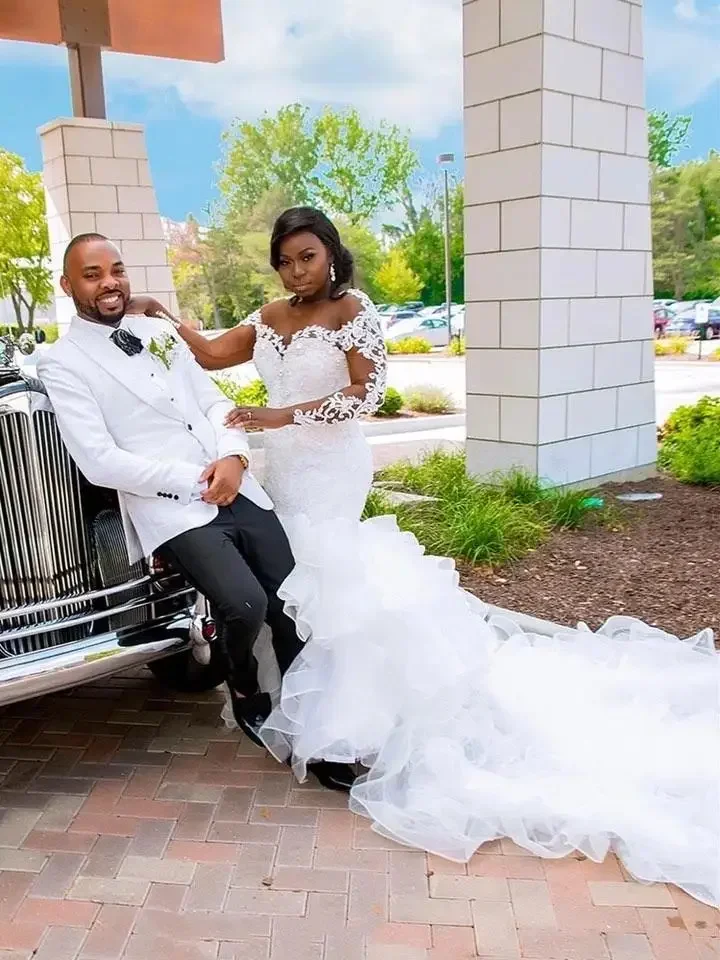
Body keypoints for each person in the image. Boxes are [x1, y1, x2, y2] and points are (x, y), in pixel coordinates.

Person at [128, 208, 719, 908]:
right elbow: (210, 354)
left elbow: (367, 395)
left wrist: (284, 415)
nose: (296, 270)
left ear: (331, 255)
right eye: (286, 260)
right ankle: (295, 704)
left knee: (328, 581)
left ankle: (344, 726)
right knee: (289, 586)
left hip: (329, 467)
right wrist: (165, 315)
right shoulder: (267, 314)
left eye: (308, 256)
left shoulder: (356, 310)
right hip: (276, 471)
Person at [36, 233, 355, 792]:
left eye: (116, 268)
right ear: (68, 286)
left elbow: (210, 402)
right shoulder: (62, 363)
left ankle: (318, 735)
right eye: (92, 274)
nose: (109, 282)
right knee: (245, 604)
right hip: (173, 508)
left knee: (292, 605)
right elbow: (98, 461)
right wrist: (196, 480)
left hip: (237, 485)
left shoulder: (157, 333)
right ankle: (245, 685)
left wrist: (232, 457)